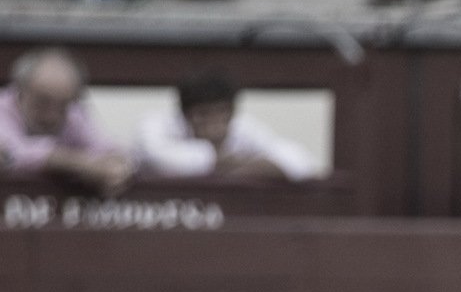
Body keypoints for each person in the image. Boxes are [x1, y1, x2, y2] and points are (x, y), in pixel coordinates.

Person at [135, 73, 320, 182]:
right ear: (185, 115)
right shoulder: (157, 124)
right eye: (203, 114)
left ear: (232, 112)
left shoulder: (243, 127)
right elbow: (158, 157)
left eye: (221, 113)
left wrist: (240, 170)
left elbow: (300, 161)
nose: (214, 122)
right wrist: (220, 162)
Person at [0, 49, 134, 196]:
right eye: (42, 102)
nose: (52, 116)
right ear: (21, 89)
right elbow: (12, 155)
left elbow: (104, 146)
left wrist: (116, 166)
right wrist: (79, 164)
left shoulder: (73, 111)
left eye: (62, 106)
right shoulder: (3, 108)